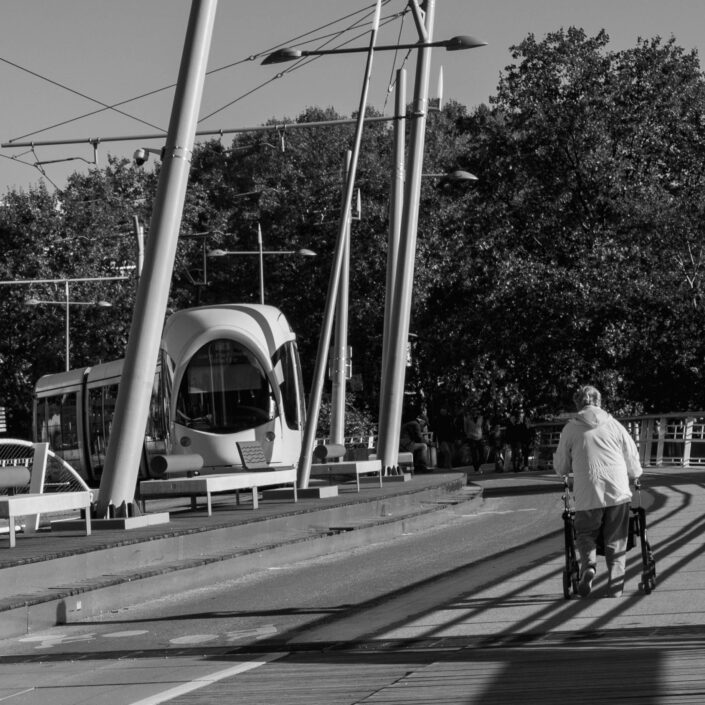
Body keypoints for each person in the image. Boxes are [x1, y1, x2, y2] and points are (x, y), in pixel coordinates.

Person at [553, 384, 643, 598]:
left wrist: (563, 469)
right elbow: (631, 456)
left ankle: (589, 566)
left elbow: (562, 465)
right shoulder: (615, 425)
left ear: (578, 403)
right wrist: (635, 473)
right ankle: (615, 587)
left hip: (588, 492)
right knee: (616, 539)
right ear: (600, 403)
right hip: (617, 491)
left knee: (585, 533)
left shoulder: (571, 428)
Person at [463, 407, 487, 473]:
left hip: (479, 437)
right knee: (474, 454)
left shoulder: (481, 418)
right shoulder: (467, 419)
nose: (475, 413)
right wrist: (469, 434)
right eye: (473, 412)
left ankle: (478, 466)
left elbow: (482, 427)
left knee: (482, 454)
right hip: (471, 438)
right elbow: (465, 429)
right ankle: (476, 469)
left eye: (476, 412)